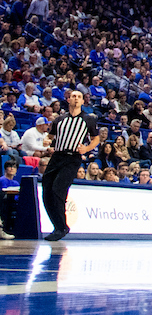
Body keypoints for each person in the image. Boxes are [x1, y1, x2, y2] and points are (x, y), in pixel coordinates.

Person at [41, 90, 101, 241]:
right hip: (57, 156)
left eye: (79, 97)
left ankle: (62, 227)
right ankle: (57, 226)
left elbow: (96, 139)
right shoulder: (59, 119)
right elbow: (50, 136)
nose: (76, 99)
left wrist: (86, 149)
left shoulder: (88, 119)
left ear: (82, 101)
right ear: (68, 100)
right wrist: (47, 142)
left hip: (72, 158)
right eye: (73, 96)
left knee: (57, 189)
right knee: (46, 191)